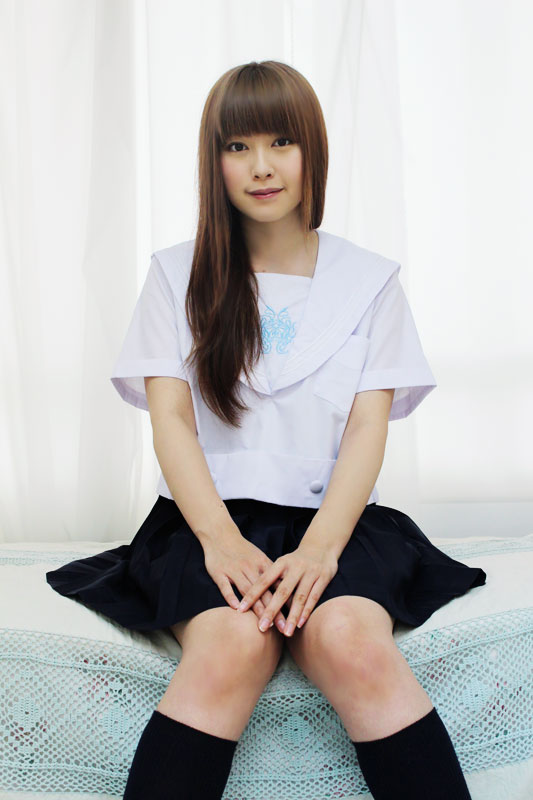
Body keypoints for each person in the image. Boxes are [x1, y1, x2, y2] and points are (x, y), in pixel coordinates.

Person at [46, 60, 486, 800]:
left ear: (313, 151)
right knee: (232, 642)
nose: (260, 166)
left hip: (338, 521)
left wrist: (320, 549)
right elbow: (172, 422)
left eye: (282, 142)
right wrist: (219, 541)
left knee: (350, 641)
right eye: (237, 146)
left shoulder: (368, 281)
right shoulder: (175, 276)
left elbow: (366, 430)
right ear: (212, 161)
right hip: (204, 520)